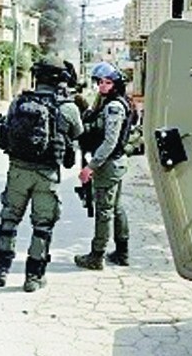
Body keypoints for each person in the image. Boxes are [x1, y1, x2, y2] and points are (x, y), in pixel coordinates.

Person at [0, 57, 83, 292]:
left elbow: (6, 134)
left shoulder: (19, 102)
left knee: (9, 219)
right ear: (61, 80)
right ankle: (33, 277)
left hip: (18, 171)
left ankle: (0, 270)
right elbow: (78, 132)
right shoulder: (67, 107)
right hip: (46, 174)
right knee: (42, 226)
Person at [75, 61, 132, 270]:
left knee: (104, 211)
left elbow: (110, 141)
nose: (102, 86)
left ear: (115, 84)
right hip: (114, 164)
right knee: (116, 208)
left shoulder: (114, 107)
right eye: (100, 82)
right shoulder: (110, 103)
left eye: (107, 82)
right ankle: (121, 253)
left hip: (108, 165)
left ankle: (96, 256)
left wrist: (90, 167)